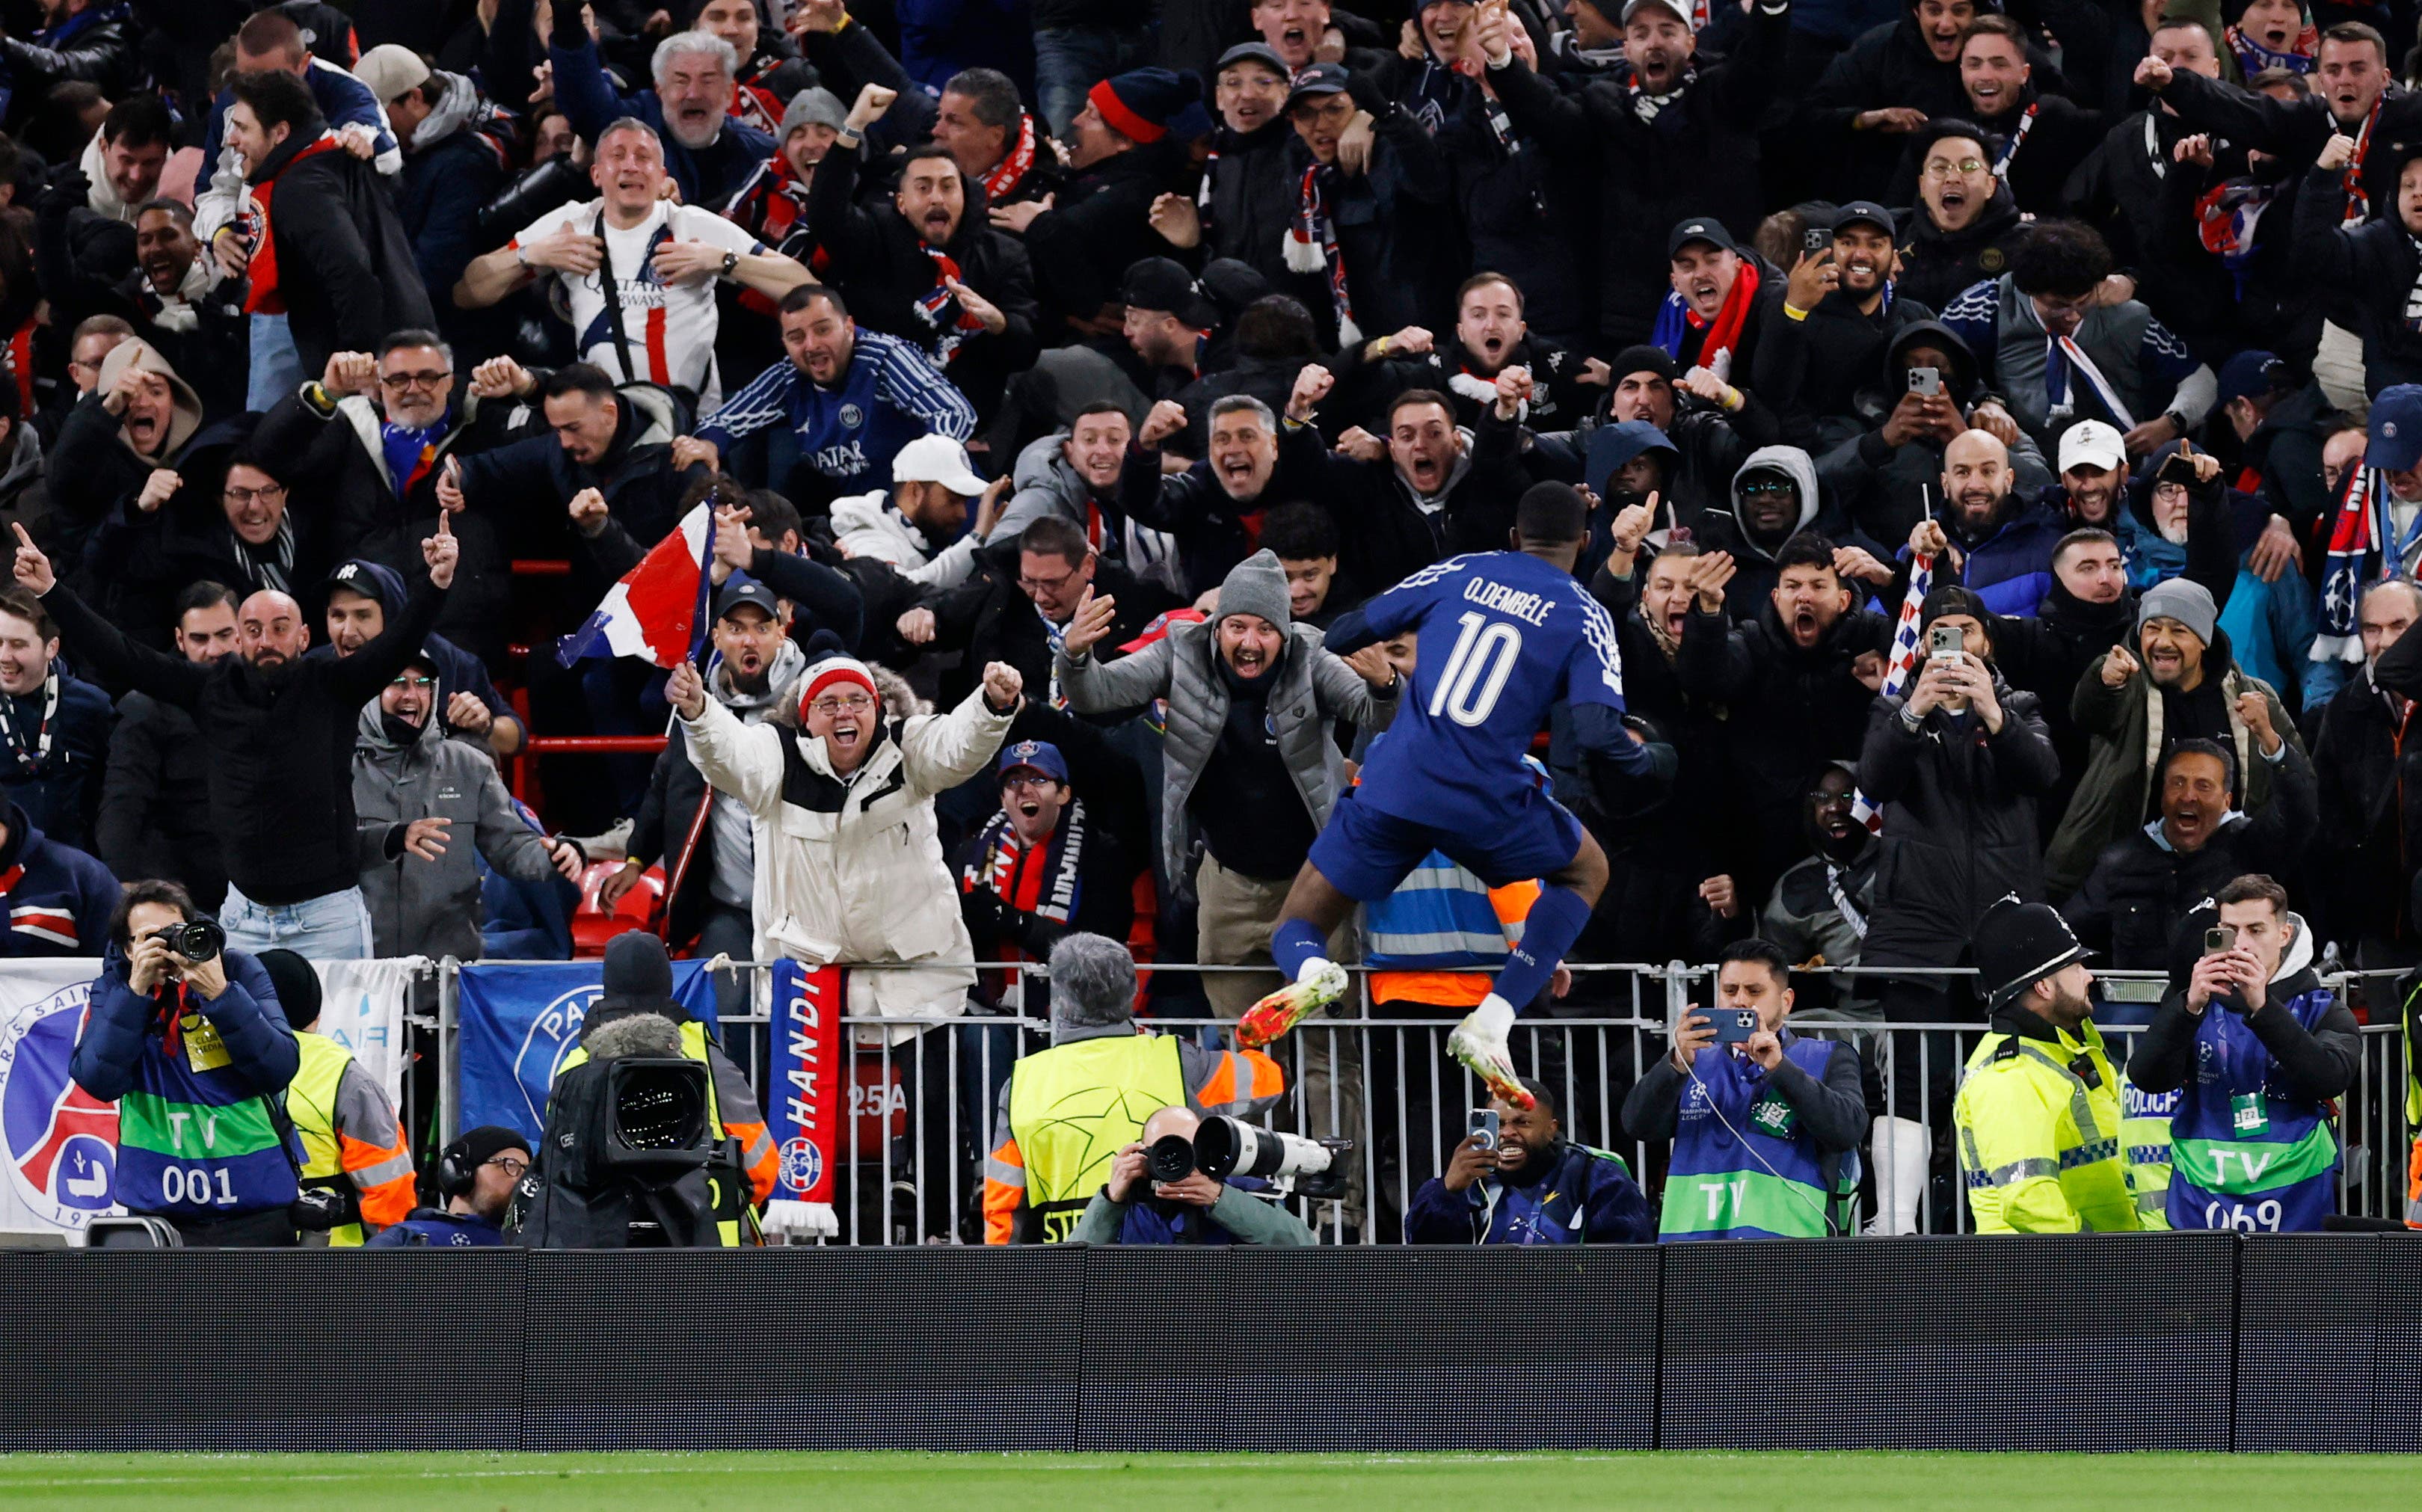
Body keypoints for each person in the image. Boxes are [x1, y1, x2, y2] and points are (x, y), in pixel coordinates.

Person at [1248, 483, 1665, 1106]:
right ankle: (1494, 1019)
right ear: (1583, 543)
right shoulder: (1584, 613)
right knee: (1585, 873)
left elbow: (1346, 630)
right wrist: (1650, 762)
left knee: (1299, 922)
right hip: (1486, 795)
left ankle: (1313, 972)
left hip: (1397, 780)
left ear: (1514, 539)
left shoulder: (1462, 570)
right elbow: (1603, 733)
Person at [14, 502, 457, 960]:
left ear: (304, 637)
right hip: (241, 917)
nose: (267, 640)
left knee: (337, 1036)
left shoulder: (335, 685)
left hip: (329, 917)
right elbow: (122, 654)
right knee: (237, 1033)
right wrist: (51, 590)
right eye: (254, 630)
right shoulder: (209, 689)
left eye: (280, 628)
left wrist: (437, 581)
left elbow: (399, 641)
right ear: (240, 640)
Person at [668, 631, 1020, 1042]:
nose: (845, 713)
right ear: (806, 717)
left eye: (858, 701)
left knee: (936, 1104)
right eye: (829, 704)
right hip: (809, 992)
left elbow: (956, 745)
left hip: (917, 984)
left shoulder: (910, 746)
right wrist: (700, 712)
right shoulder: (775, 756)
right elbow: (731, 755)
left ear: (877, 708)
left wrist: (990, 707)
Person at [455, 116, 806, 409]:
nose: (630, 166)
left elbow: (801, 284)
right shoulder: (571, 224)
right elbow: (467, 292)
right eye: (618, 155)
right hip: (604, 426)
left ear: (661, 174)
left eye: (643, 157)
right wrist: (532, 255)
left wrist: (722, 260)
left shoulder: (691, 225)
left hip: (693, 426)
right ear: (596, 174)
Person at [985, 932, 1285, 1244]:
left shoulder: (1023, 1082)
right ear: (1133, 992)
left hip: (1069, 1260)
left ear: (1059, 1000)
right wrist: (1253, 1036)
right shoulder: (1176, 1061)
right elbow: (1268, 1084)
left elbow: (1004, 1204)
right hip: (1160, 1253)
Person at [68, 879, 304, 1246]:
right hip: (159, 1209)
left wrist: (220, 993)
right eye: (151, 938)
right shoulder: (115, 989)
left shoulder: (239, 971)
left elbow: (278, 1068)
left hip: (254, 1203)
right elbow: (98, 1080)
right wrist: (136, 995)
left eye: (174, 932)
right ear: (128, 950)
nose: (167, 948)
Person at [606, 579, 804, 1006]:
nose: (749, 639)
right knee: (719, 1010)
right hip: (732, 906)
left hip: (805, 907)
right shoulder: (696, 708)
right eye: (735, 628)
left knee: (803, 1026)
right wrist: (637, 859)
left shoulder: (810, 703)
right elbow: (667, 786)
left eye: (761, 628)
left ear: (782, 632)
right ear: (716, 637)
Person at [2047, 577, 2304, 897]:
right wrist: (2106, 681)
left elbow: (2299, 784)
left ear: (2204, 641)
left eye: (2178, 630)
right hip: (2135, 872)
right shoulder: (2127, 683)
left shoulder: (2253, 695)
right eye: (2152, 629)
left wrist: (2268, 736)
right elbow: (2090, 712)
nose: (2163, 641)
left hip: (2229, 873)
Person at [2127, 875, 2358, 1232]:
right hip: (2203, 1204)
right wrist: (2187, 1007)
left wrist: (2263, 1008)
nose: (2243, 945)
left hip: (2294, 1208)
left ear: (2284, 935)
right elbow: (2147, 1077)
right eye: (2231, 931)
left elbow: (2329, 1078)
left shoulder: (2323, 1009)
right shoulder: (2194, 1003)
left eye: (2256, 930)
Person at [799, 86, 1041, 422]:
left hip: (965, 427)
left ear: (965, 195)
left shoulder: (1004, 255)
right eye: (923, 187)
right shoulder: (875, 235)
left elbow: (1025, 350)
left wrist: (1000, 324)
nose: (936, 199)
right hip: (872, 418)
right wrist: (853, 127)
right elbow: (825, 213)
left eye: (947, 186)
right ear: (901, 201)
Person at [218, 68, 437, 409]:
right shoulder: (338, 161)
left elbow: (353, 274)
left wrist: (353, 368)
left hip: (376, 377)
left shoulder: (300, 187)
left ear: (280, 133)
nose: (232, 139)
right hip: (406, 351)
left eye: (243, 128)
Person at [1623, 938, 1869, 1239]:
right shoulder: (1690, 1061)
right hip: (1692, 1253)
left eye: (1754, 991)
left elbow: (1847, 1130)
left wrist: (1780, 1070)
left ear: (1786, 1001)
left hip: (1790, 1252)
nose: (1739, 1001)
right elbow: (1637, 1126)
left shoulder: (1828, 1056)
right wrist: (1673, 1064)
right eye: (1729, 990)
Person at [351, 647, 583, 959]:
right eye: (398, 682)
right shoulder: (338, 768)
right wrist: (389, 840)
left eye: (422, 684)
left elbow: (511, 846)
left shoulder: (469, 766)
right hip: (364, 969)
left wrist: (555, 856)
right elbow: (323, 849)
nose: (411, 695)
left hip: (449, 968)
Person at [552, 931, 778, 1245]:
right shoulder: (704, 1054)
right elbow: (760, 1163)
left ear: (607, 985)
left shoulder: (574, 1063)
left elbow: (555, 1163)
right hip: (704, 1248)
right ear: (667, 982)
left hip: (599, 1251)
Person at [1952, 897, 2141, 1233]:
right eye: (2075, 966)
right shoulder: (2008, 1076)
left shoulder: (2068, 1053)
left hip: (2088, 1268)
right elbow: (2027, 1199)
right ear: (2043, 986)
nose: (2089, 976)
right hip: (2052, 1275)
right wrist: (2095, 1254)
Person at [695, 285, 978, 508]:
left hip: (940, 507)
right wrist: (708, 444)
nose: (811, 345)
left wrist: (924, 474)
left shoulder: (883, 357)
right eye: (796, 337)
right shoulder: (789, 377)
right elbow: (724, 422)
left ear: (849, 327)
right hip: (865, 520)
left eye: (823, 329)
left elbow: (954, 412)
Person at [2064, 738, 2317, 971]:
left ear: (2227, 800)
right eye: (2178, 783)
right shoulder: (2120, 861)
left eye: (2203, 786)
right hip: (2138, 1003)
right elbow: (2069, 933)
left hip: (2228, 999)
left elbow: (2299, 814)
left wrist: (2273, 745)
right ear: (2162, 795)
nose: (2188, 796)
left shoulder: (2250, 845)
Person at [96, 581, 234, 908]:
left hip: (257, 897)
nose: (213, 650)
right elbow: (122, 805)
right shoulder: (146, 708)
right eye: (200, 638)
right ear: (179, 640)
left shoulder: (263, 697)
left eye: (224, 635)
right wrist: (132, 888)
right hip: (185, 901)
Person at [262, 947, 412, 1247]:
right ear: (317, 1014)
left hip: (224, 1261)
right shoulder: (346, 1078)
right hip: (334, 1270)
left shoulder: (202, 1064)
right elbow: (388, 1189)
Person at [2311, 579, 2422, 968]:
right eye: (2372, 629)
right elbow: (2328, 821)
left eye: (2399, 626)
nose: (2385, 642)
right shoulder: (2344, 710)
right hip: (2376, 929)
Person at [548, 18, 775, 208]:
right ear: (660, 89)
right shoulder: (637, 123)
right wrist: (568, 22)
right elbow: (585, 104)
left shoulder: (761, 155)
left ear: (729, 93)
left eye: (708, 81)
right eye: (680, 80)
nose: (693, 94)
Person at [1405, 1076, 1654, 1244]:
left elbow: (1627, 1258)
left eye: (1522, 1123)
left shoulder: (1596, 1173)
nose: (1508, 1133)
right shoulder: (1469, 1178)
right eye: (1499, 1124)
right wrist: (1447, 1192)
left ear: (1551, 1129)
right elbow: (1426, 1258)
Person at [1072, 1104, 1320, 1247]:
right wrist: (1111, 1198)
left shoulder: (1243, 1190)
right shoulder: (1127, 1202)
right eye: (1165, 1152)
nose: (1177, 1163)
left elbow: (1302, 1245)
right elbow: (1070, 1268)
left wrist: (1219, 1199)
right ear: (1143, 1151)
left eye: (1187, 1151)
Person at [0, 586, 112, 851]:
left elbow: (113, 799)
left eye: (18, 645)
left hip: (75, 874)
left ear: (52, 648)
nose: (4, 656)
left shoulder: (90, 707)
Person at [830, 432, 999, 589]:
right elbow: (898, 591)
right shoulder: (870, 543)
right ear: (914, 491)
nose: (963, 514)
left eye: (964, 502)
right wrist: (977, 537)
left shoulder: (908, 538)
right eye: (953, 500)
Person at [366, 1125, 529, 1247]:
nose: (522, 1179)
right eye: (510, 1165)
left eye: (527, 1171)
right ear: (460, 1172)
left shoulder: (531, 1244)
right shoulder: (408, 1237)